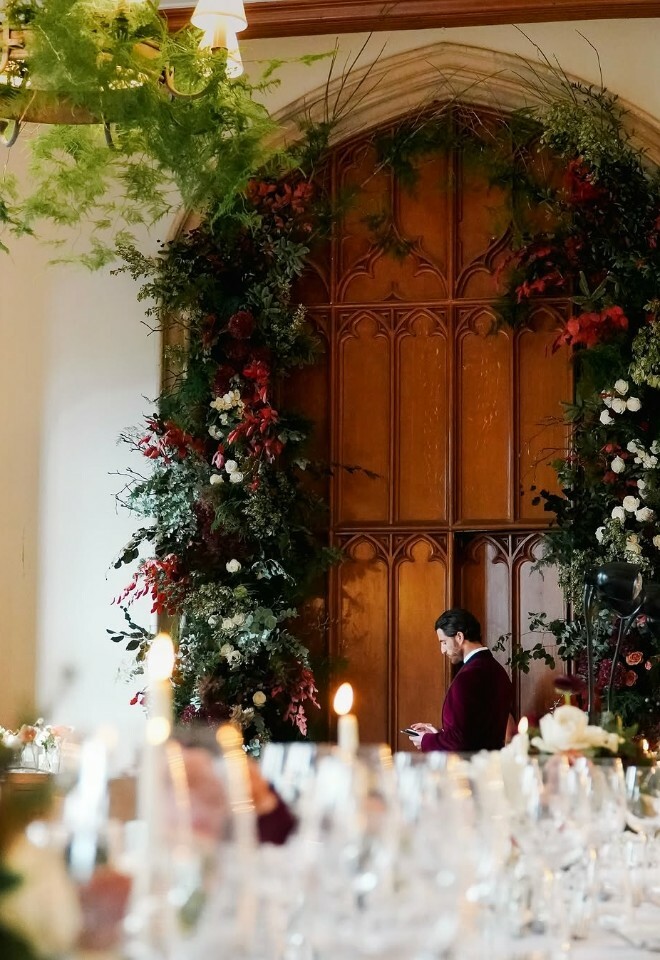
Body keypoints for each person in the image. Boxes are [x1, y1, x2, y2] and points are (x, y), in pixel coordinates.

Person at [409, 608, 513, 753]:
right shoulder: (498, 671)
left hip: (469, 770)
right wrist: (437, 734)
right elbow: (474, 733)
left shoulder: (467, 677)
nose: (442, 650)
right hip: (492, 765)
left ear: (459, 637)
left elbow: (460, 741)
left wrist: (425, 740)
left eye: (444, 642)